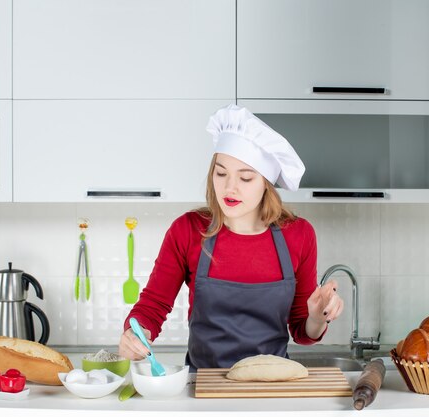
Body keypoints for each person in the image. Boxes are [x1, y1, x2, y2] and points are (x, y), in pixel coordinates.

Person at [119, 104, 343, 370]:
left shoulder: (299, 235)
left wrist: (318, 317)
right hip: (203, 383)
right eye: (221, 173)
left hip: (272, 385)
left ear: (266, 184)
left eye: (245, 178)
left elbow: (302, 331)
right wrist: (136, 333)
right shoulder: (188, 230)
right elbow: (153, 305)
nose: (229, 187)